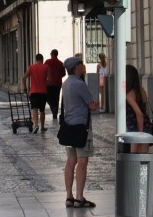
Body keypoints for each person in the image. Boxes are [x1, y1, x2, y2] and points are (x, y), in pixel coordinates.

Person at [61, 56, 98, 209]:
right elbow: (92, 105)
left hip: (69, 127)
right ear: (76, 67)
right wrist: (96, 103)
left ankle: (69, 196)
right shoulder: (80, 84)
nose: (83, 66)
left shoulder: (65, 83)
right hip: (81, 128)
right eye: (82, 64)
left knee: (70, 161)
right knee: (82, 162)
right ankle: (79, 197)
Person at [125, 64, 152, 153]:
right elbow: (146, 110)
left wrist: (140, 133)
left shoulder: (129, 95)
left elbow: (139, 114)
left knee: (134, 158)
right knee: (144, 157)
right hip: (146, 126)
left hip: (135, 129)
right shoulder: (142, 91)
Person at [22, 53, 49, 133]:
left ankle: (36, 125)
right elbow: (50, 80)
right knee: (42, 110)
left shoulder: (31, 67)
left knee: (35, 109)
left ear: (36, 59)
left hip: (33, 92)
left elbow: (24, 78)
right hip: (43, 92)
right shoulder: (46, 67)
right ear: (42, 59)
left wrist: (25, 88)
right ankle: (42, 127)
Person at [44, 49, 67, 123]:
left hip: (49, 83)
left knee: (47, 97)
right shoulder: (60, 63)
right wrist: (58, 76)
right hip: (58, 84)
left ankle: (52, 107)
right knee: (56, 98)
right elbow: (64, 74)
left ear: (51, 54)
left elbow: (44, 71)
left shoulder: (47, 62)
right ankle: (55, 114)